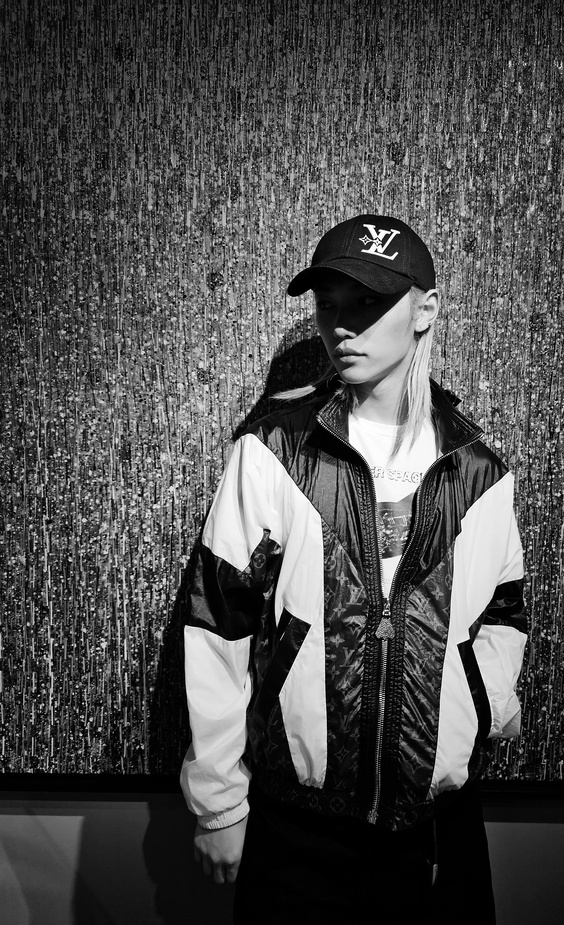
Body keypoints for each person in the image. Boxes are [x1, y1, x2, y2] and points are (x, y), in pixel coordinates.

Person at [180, 213, 528, 924]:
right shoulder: (273, 451)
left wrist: (480, 707)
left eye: (368, 302)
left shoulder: (478, 470)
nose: (341, 324)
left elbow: (502, 612)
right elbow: (216, 625)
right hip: (298, 833)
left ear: (425, 310)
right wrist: (219, 803)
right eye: (329, 303)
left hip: (438, 834)